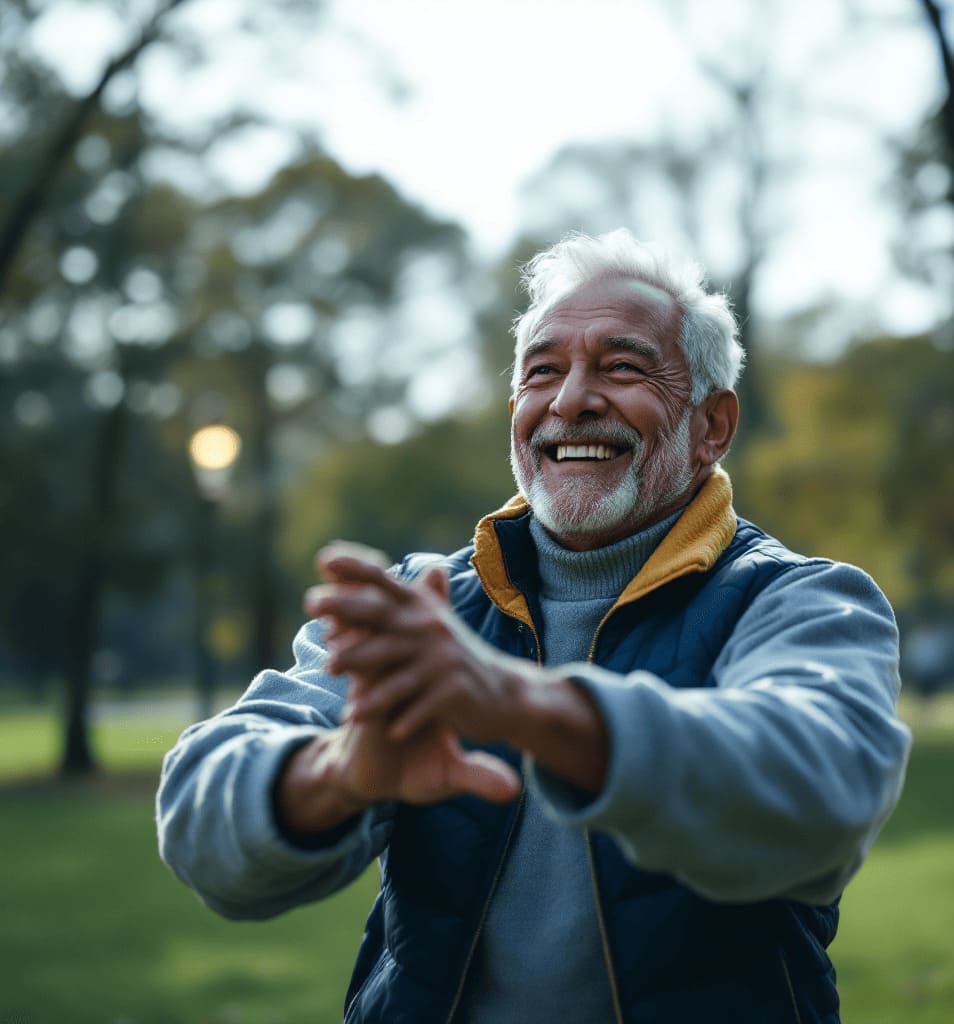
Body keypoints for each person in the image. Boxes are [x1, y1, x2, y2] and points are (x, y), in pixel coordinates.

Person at [157, 229, 911, 1023]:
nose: (570, 400)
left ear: (712, 426)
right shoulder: (422, 605)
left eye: (621, 367)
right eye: (542, 372)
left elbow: (822, 795)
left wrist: (518, 706)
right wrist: (340, 772)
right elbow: (201, 823)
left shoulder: (804, 601)